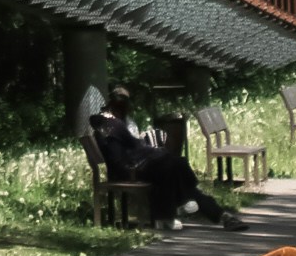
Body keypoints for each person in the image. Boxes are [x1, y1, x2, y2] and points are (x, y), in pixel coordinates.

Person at [90, 86, 238, 226]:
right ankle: (182, 206)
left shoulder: (109, 124)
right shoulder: (112, 125)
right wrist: (150, 150)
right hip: (129, 170)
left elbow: (132, 146)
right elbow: (130, 149)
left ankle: (204, 210)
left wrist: (149, 150)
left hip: (135, 164)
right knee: (173, 164)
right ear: (117, 107)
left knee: (174, 164)